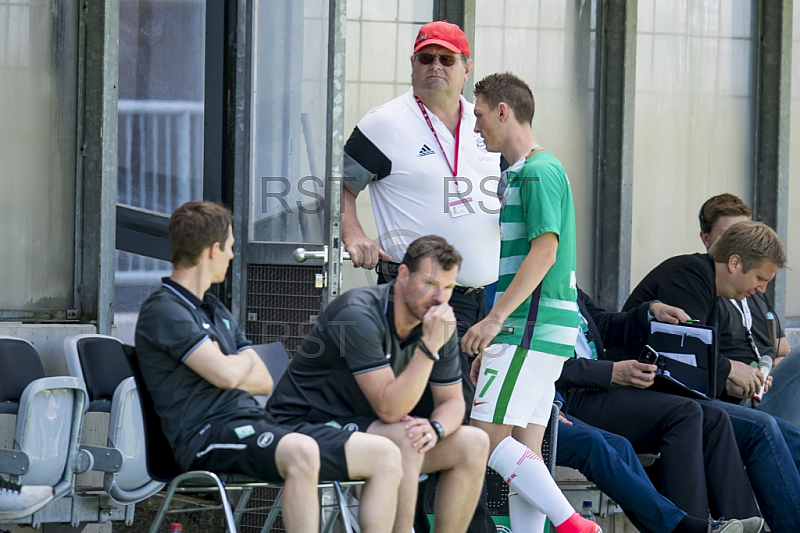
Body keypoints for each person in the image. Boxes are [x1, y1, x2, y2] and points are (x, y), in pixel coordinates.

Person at [134, 201, 402, 533]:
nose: (232, 255)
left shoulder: (213, 308)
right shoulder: (165, 309)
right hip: (206, 438)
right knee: (302, 451)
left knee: (384, 454)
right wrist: (238, 363)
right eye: (230, 247)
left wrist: (235, 363)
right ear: (213, 250)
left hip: (259, 423)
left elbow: (263, 381)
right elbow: (228, 374)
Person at [342, 20, 501, 532]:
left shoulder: (486, 127)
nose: (435, 67)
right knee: (412, 419)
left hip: (479, 301)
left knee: (459, 422)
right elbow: (342, 187)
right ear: (412, 65)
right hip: (409, 297)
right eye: (425, 58)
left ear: (466, 68)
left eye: (446, 59)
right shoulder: (385, 122)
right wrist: (355, 234)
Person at [267, 236, 490, 533]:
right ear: (403, 275)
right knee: (404, 438)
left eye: (447, 288)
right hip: (303, 427)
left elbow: (452, 402)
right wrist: (428, 347)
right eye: (429, 284)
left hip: (365, 429)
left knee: (473, 442)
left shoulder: (439, 322)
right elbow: (390, 409)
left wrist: (435, 429)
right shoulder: (359, 313)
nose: (439, 298)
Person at [458, 72, 597, 533]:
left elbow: (545, 251)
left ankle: (572, 523)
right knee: (525, 452)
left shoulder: (537, 170)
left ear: (503, 111)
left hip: (528, 326)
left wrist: (495, 321)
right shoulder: (530, 170)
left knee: (483, 439)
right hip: (543, 328)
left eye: (479, 115)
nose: (476, 127)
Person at [624, 220, 800, 531]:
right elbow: (680, 356)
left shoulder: (705, 283)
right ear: (734, 263)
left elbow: (692, 368)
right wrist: (730, 369)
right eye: (760, 278)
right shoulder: (690, 275)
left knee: (788, 436)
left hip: (669, 396)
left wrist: (730, 382)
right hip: (643, 397)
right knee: (763, 429)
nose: (762, 289)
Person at [556, 289, 762, 533]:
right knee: (685, 414)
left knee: (714, 419)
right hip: (572, 393)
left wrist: (650, 311)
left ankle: (740, 524)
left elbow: (603, 324)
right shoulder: (529, 288)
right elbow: (537, 362)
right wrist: (610, 372)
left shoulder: (567, 280)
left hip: (598, 387)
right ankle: (696, 528)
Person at [698, 193, 800, 425]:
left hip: (769, 386)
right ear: (706, 239)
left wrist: (776, 366)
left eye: (746, 233)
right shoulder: (707, 292)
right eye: (730, 235)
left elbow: (783, 350)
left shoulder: (755, 290)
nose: (742, 243)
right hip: (739, 397)